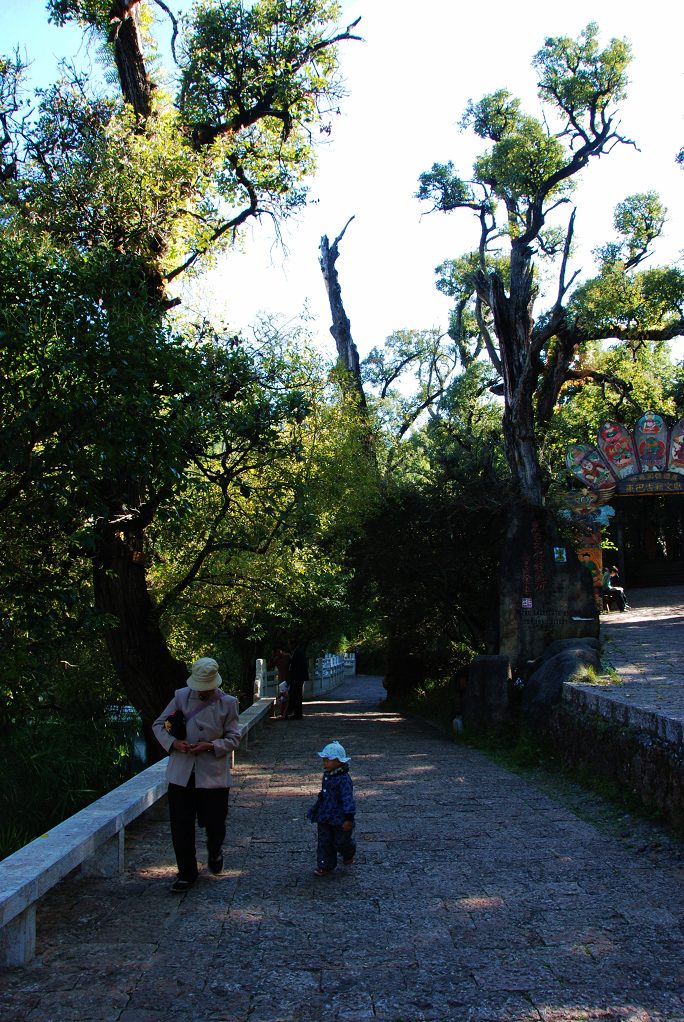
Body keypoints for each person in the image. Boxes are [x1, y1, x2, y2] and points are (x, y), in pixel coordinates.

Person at [152, 657, 240, 893]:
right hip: (182, 771)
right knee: (180, 824)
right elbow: (158, 724)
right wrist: (174, 743)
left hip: (212, 773)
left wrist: (211, 746)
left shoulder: (228, 703)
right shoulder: (181, 696)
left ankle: (215, 849)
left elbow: (234, 738)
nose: (202, 692)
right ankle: (186, 872)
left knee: (215, 820)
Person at [306, 741, 356, 877]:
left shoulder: (344, 779)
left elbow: (347, 798)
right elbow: (325, 794)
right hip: (325, 814)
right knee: (324, 841)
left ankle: (348, 852)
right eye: (324, 760)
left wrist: (348, 817)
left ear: (339, 761)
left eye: (328, 760)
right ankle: (325, 864)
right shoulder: (327, 775)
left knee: (341, 842)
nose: (325, 763)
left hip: (340, 816)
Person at [288, 642, 308, 719]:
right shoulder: (297, 653)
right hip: (298, 678)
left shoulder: (298, 653)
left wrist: (296, 678)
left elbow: (298, 667)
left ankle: (298, 714)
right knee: (297, 696)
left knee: (297, 696)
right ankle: (296, 713)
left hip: (298, 678)